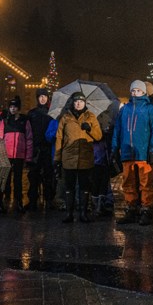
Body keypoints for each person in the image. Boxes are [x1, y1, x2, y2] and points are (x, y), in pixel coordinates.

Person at [112, 80, 153, 225]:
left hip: (143, 153)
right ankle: (131, 208)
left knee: (146, 183)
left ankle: (146, 209)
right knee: (128, 182)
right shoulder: (125, 109)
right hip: (127, 152)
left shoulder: (149, 108)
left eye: (138, 91)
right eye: (133, 91)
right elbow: (118, 129)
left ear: (144, 92)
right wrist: (115, 146)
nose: (135, 93)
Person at [55, 92, 102, 223]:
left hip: (85, 159)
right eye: (76, 101)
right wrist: (57, 158)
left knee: (84, 186)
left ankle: (83, 213)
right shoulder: (65, 117)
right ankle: (69, 214)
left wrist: (89, 129)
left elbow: (98, 136)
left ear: (85, 103)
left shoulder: (91, 116)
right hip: (68, 158)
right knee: (69, 187)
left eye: (81, 101)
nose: (78, 103)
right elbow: (59, 138)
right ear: (73, 103)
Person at [2, 97, 32, 215]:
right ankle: (6, 199)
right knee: (6, 179)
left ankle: (18, 201)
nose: (13, 109)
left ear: (18, 108)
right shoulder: (5, 120)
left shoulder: (24, 121)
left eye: (15, 107)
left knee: (18, 180)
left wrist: (28, 156)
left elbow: (29, 139)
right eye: (11, 107)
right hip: (6, 154)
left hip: (19, 154)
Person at [26, 88, 54, 211]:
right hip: (35, 149)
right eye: (40, 96)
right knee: (33, 176)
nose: (42, 98)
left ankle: (49, 200)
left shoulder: (52, 113)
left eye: (45, 96)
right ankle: (33, 201)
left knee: (49, 176)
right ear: (37, 98)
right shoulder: (32, 113)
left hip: (48, 148)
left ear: (48, 98)